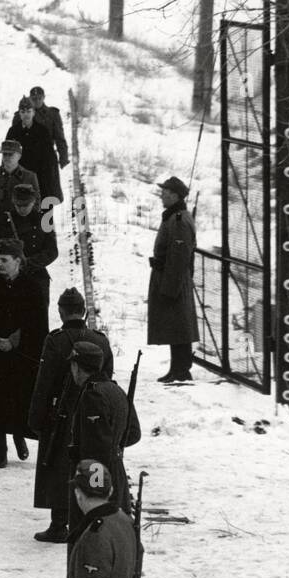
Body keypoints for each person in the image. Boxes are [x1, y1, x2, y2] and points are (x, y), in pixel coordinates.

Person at [28, 289, 114, 543]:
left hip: (61, 417)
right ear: (84, 310)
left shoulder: (55, 341)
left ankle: (58, 524)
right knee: (91, 460)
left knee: (58, 466)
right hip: (94, 412)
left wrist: (36, 419)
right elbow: (108, 377)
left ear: (61, 312)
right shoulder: (101, 340)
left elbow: (43, 384)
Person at [0, 241, 49, 467]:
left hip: (21, 358)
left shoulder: (32, 288)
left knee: (18, 400)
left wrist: (13, 342)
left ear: (18, 261)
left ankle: (18, 436)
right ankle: (0, 452)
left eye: (4, 260)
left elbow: (37, 324)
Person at [66, 341, 141, 527]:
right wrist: (116, 446)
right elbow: (133, 433)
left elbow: (96, 451)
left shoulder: (92, 395)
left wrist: (93, 495)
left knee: (93, 538)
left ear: (77, 366)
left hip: (96, 478)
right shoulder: (115, 390)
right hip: (115, 473)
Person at [147, 176, 198, 382]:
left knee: (179, 326)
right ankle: (177, 368)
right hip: (169, 277)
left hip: (172, 278)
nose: (162, 196)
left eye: (166, 193)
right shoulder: (174, 216)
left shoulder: (178, 220)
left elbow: (178, 257)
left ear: (176, 196)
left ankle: (181, 370)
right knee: (175, 325)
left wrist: (170, 288)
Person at [6, 96, 63, 208]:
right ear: (19, 113)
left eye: (29, 111)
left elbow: (50, 161)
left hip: (40, 180)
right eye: (23, 112)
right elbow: (7, 155)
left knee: (42, 216)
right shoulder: (13, 131)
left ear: (33, 113)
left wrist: (51, 188)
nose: (26, 115)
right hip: (20, 180)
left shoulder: (42, 131)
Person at [28, 86, 69, 169]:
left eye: (40, 98)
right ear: (30, 99)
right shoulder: (22, 115)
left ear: (44, 97)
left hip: (47, 157)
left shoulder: (53, 114)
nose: (37, 101)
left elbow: (59, 138)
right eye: (34, 99)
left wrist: (63, 157)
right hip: (28, 157)